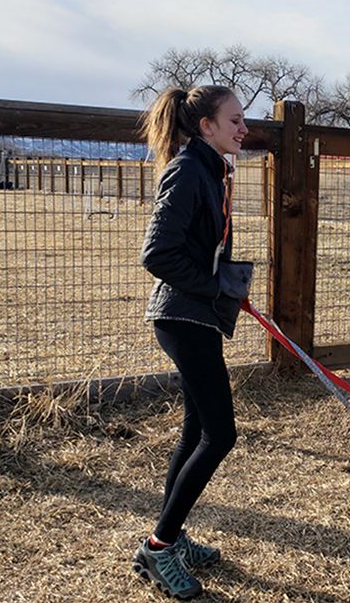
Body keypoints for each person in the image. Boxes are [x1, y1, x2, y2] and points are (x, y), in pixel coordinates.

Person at [132, 85, 252, 599]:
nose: (244, 128)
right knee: (220, 434)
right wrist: (215, 287)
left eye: (243, 120)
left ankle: (172, 536)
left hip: (196, 315)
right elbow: (157, 253)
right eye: (235, 120)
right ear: (206, 125)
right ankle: (158, 548)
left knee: (197, 428)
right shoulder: (187, 170)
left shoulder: (211, 169)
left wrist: (223, 286)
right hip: (182, 317)